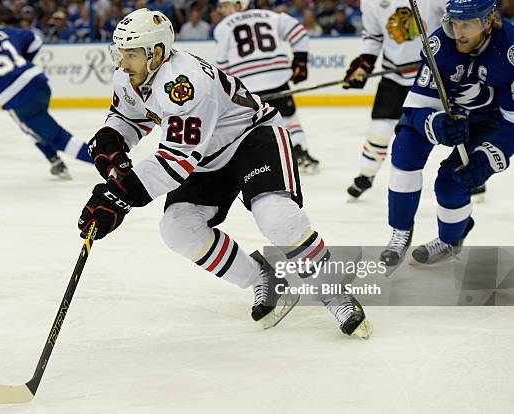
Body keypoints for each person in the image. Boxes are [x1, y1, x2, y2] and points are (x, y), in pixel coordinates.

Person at [76, 8, 372, 338]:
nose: (123, 62)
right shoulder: (131, 75)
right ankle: (263, 278)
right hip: (207, 156)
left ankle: (335, 293)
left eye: (130, 54)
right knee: (177, 229)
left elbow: (176, 160)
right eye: (121, 53)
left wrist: (121, 195)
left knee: (276, 218)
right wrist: (111, 141)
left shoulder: (182, 83)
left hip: (251, 138)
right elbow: (129, 117)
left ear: (156, 53)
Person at [380, 0, 513, 267]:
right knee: (405, 151)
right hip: (443, 110)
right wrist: (436, 123)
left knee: (454, 181)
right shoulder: (440, 46)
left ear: (488, 22)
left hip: (489, 120)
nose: (459, 32)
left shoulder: (510, 50)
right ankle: (401, 231)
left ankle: (451, 240)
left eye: (467, 24)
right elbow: (417, 107)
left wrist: (490, 156)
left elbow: (512, 122)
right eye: (454, 23)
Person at [0, 9, 92, 179]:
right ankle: (55, 161)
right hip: (39, 84)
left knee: (58, 137)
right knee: (31, 128)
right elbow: (35, 40)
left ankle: (107, 163)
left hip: (19, 100)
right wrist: (21, 65)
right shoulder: (3, 32)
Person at [343, 0, 448, 198]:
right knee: (380, 127)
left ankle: (467, 170)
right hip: (393, 74)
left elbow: (453, 26)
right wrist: (364, 64)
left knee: (450, 126)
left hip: (432, 73)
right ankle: (366, 174)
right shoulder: (371, 2)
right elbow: (373, 36)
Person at [213, 0, 319, 173]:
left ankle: (261, 161)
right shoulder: (271, 16)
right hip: (277, 78)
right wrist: (300, 60)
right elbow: (298, 32)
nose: (223, 10)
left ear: (239, 5)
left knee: (254, 126)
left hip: (247, 84)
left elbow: (221, 63)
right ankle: (300, 150)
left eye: (226, 5)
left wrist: (225, 91)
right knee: (290, 117)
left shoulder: (223, 26)